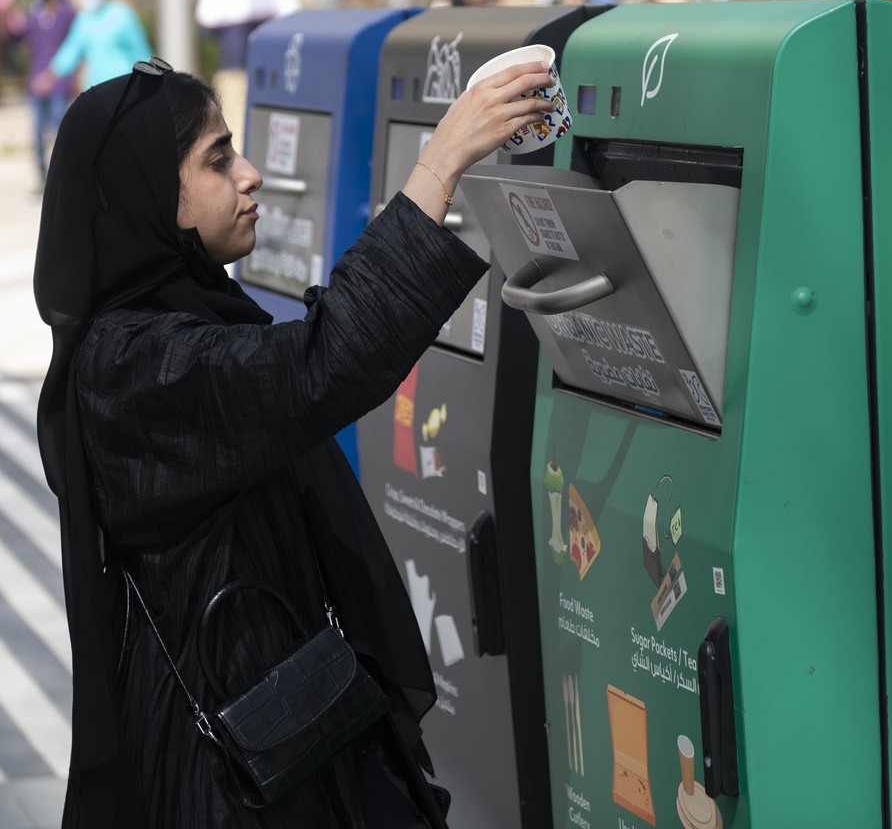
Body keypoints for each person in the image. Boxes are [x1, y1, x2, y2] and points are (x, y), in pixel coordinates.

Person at [34, 58, 554, 826]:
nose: (250, 177)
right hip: (232, 775)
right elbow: (320, 363)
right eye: (217, 160)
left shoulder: (186, 319)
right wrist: (441, 162)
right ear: (147, 195)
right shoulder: (131, 366)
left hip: (285, 735)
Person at [194, 0, 300, 139]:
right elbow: (293, 18)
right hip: (276, 66)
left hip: (234, 62)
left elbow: (205, 22)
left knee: (236, 122)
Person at [32, 0, 152, 97]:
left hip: (124, 85)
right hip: (97, 88)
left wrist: (149, 78)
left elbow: (140, 49)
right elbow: (71, 50)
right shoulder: (84, 19)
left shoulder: (123, 15)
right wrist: (50, 75)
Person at [11, 0, 76, 186]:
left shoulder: (68, 12)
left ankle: (62, 180)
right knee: (37, 135)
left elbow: (75, 48)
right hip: (36, 83)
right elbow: (20, 38)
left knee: (60, 133)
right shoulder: (34, 13)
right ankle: (43, 180)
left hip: (59, 83)